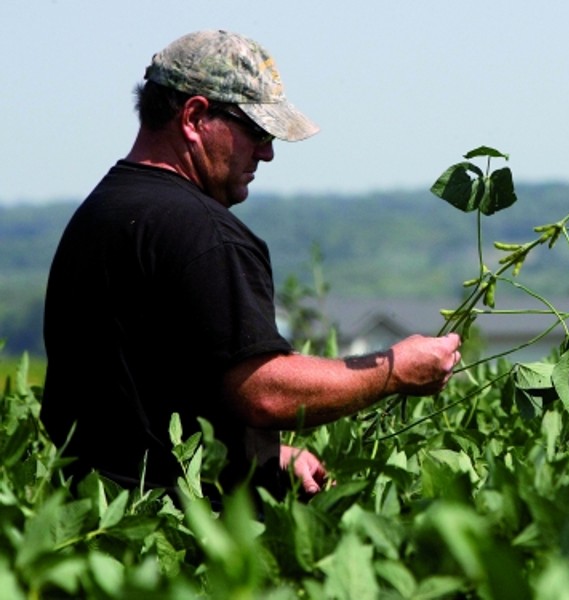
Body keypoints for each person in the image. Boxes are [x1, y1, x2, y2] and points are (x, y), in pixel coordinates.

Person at [41, 30, 461, 500]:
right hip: (183, 530)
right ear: (195, 117)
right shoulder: (205, 234)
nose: (267, 152)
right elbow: (263, 392)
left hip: (95, 515)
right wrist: (393, 369)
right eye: (258, 132)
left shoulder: (100, 213)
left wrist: (260, 453)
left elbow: (141, 387)